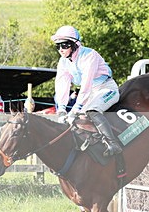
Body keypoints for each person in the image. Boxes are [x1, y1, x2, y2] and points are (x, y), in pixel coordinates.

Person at [51, 25, 122, 156]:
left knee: (92, 111)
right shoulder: (63, 62)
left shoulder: (89, 55)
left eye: (65, 45)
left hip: (106, 88)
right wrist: (61, 109)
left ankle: (113, 143)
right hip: (89, 94)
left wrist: (75, 109)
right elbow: (62, 84)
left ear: (74, 44)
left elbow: (86, 84)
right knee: (77, 120)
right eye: (58, 46)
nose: (61, 49)